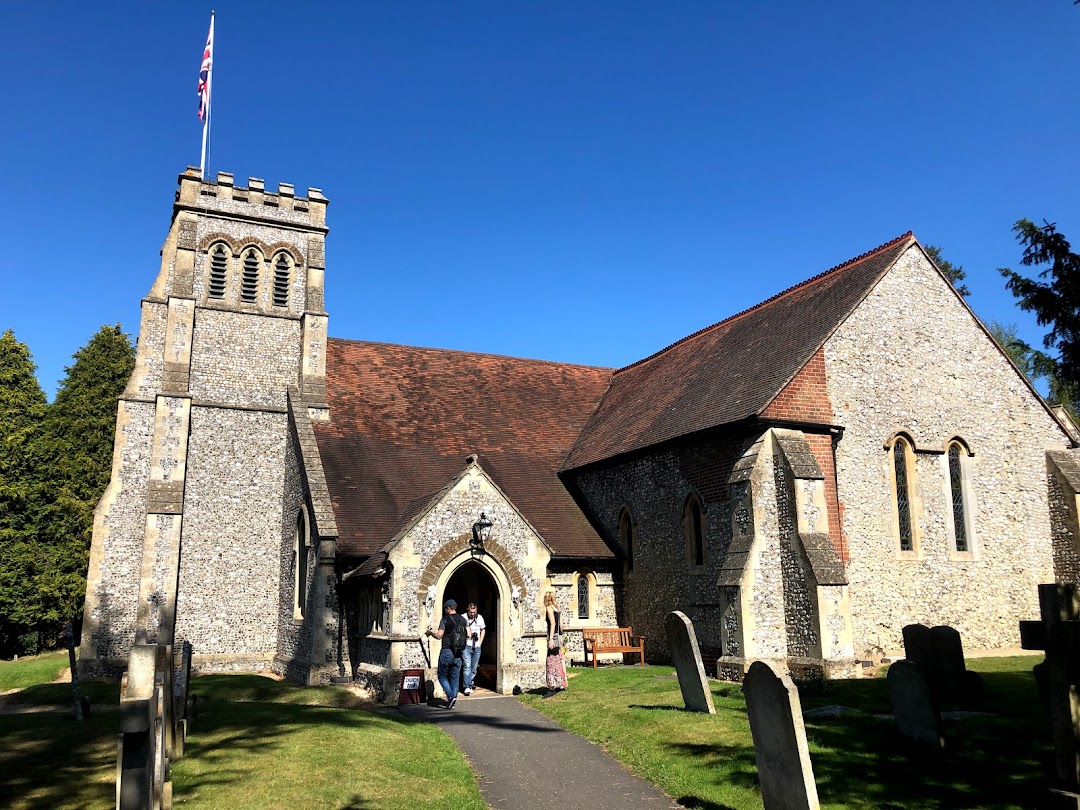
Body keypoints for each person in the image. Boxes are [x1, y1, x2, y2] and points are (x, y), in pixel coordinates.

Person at [425, 599, 466, 708]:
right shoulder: (463, 620)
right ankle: (453, 698)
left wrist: (430, 633)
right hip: (458, 653)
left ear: (448, 609)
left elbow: (439, 635)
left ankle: (451, 696)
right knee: (455, 677)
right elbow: (469, 634)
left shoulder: (445, 620)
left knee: (442, 675)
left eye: (445, 608)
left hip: (447, 651)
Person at [543, 591, 567, 698]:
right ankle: (560, 684)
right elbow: (561, 625)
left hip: (554, 637)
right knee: (559, 661)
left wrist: (551, 638)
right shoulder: (557, 608)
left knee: (550, 662)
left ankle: (551, 687)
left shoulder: (549, 608)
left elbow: (553, 623)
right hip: (560, 637)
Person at [462, 602, 486, 696]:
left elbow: (483, 629)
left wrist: (480, 642)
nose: (473, 614)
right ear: (468, 611)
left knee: (474, 668)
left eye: (474, 612)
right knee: (467, 666)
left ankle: (470, 683)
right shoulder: (463, 618)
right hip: (466, 645)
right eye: (471, 612)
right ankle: (466, 686)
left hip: (476, 646)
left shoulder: (480, 618)